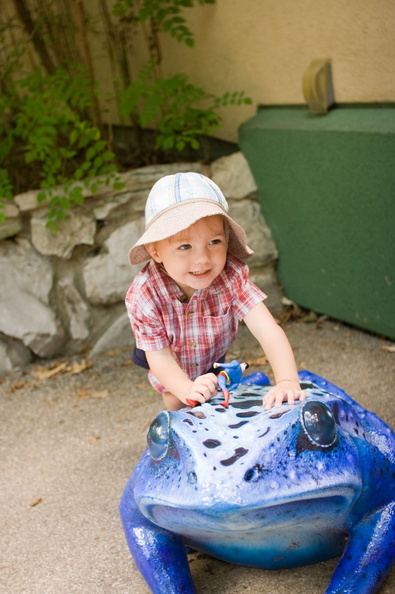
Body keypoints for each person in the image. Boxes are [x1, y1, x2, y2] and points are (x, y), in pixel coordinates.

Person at [125, 171, 306, 411]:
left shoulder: (230, 275)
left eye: (214, 242)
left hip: (210, 347)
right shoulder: (145, 294)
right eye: (185, 246)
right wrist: (187, 389)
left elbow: (267, 329)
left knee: (211, 388)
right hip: (166, 351)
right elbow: (159, 357)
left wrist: (287, 380)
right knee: (176, 400)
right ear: (155, 251)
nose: (202, 259)